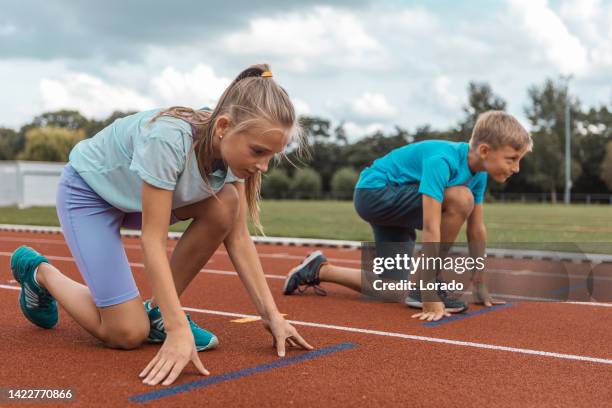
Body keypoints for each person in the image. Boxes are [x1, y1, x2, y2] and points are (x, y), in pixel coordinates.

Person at [10, 63, 312, 387]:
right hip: (89, 196)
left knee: (227, 205)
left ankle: (156, 312)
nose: (263, 166)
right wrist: (178, 327)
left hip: (134, 199)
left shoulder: (231, 151)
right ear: (224, 126)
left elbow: (237, 238)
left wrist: (272, 316)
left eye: (272, 156)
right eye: (258, 152)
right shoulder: (169, 139)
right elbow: (152, 240)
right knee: (125, 333)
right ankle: (39, 272)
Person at [283, 110, 532, 322]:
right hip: (375, 192)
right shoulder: (443, 160)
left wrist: (479, 281)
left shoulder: (479, 175)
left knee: (391, 289)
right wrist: (428, 293)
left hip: (394, 203)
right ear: (485, 150)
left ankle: (319, 269)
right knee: (460, 198)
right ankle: (427, 283)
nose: (516, 168)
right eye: (511, 159)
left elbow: (476, 229)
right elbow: (431, 226)